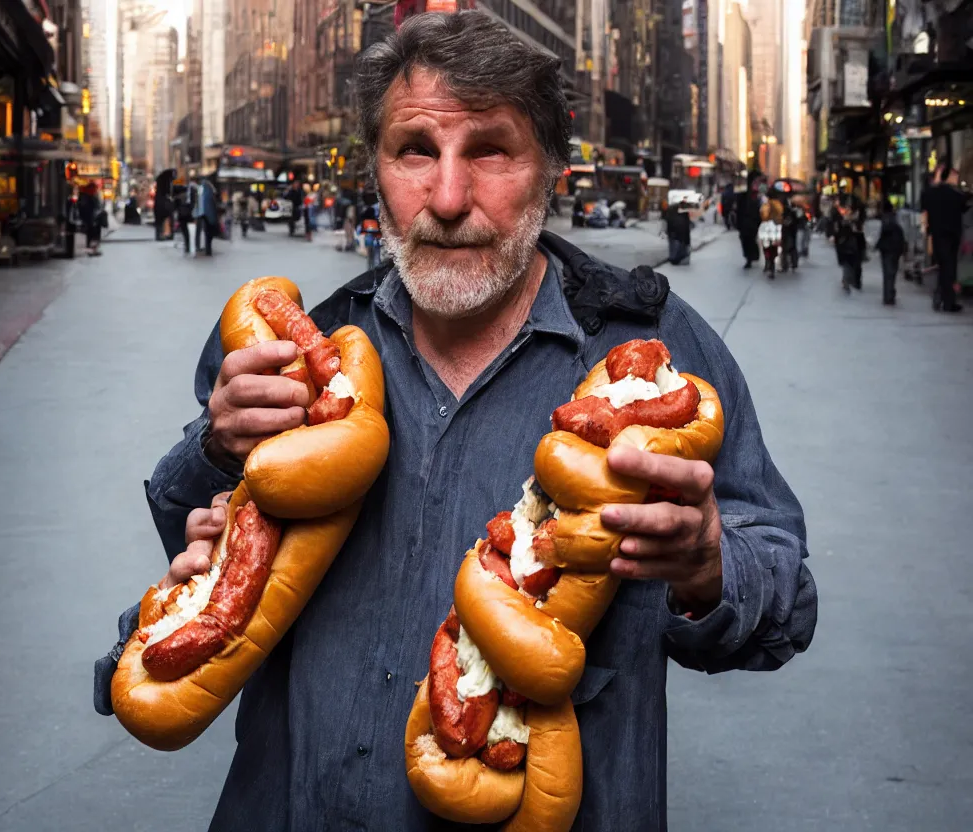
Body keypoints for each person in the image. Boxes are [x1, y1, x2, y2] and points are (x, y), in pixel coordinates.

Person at [94, 13, 816, 830]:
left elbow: (785, 602)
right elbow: (199, 567)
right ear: (375, 170)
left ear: (549, 167)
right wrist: (217, 451)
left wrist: (708, 564)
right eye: (414, 152)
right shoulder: (307, 353)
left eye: (490, 151)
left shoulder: (657, 355)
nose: (446, 199)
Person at [922, 165, 971, 313]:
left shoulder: (931, 192)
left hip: (937, 235)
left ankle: (941, 296)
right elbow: (965, 205)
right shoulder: (956, 194)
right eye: (955, 176)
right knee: (949, 267)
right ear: (948, 176)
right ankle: (947, 301)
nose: (957, 178)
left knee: (943, 266)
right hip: (952, 235)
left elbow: (925, 202)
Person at [875, 201, 907, 306]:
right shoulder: (896, 218)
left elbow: (883, 231)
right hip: (895, 248)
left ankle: (888, 295)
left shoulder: (885, 219)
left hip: (887, 248)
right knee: (892, 272)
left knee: (887, 272)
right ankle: (890, 294)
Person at [831, 196, 862, 294]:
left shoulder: (851, 218)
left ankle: (847, 280)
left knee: (848, 262)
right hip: (847, 243)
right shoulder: (841, 218)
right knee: (848, 262)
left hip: (846, 243)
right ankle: (847, 280)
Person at [736, 173, 762, 268]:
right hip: (746, 219)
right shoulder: (743, 193)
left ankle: (751, 256)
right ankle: (750, 257)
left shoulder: (756, 192)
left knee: (750, 238)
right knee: (746, 239)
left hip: (751, 219)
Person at [77, 182, 103, 256]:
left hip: (90, 220)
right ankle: (90, 250)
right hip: (89, 220)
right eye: (94, 189)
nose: (95, 190)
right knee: (90, 235)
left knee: (91, 235)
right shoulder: (87, 197)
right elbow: (87, 209)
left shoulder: (86, 196)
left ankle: (91, 249)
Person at [665, 197, 691, 265]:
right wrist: (687, 241)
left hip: (674, 232)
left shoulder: (672, 210)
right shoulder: (683, 212)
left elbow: (668, 221)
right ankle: (676, 258)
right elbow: (686, 227)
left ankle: (674, 258)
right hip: (679, 233)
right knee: (678, 245)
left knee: (674, 244)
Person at [195, 177, 218, 256]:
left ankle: (201, 247)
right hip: (209, 214)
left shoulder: (202, 188)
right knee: (208, 232)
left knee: (203, 231)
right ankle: (208, 249)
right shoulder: (210, 189)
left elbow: (200, 200)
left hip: (203, 213)